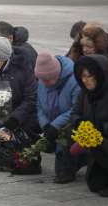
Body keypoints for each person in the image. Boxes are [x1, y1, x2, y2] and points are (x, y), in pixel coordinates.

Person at [35, 52, 81, 183]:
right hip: (52, 123)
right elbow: (39, 105)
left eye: (49, 79)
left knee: (66, 143)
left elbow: (75, 109)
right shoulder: (42, 81)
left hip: (70, 124)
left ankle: (76, 162)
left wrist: (55, 125)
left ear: (58, 73)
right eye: (43, 80)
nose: (46, 83)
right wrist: (45, 125)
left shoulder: (74, 81)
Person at [70, 55, 108, 196]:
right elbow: (75, 112)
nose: (85, 80)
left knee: (99, 144)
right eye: (82, 76)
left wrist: (101, 127)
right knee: (95, 184)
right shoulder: (85, 93)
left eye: (89, 76)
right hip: (96, 144)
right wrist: (79, 123)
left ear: (100, 75)